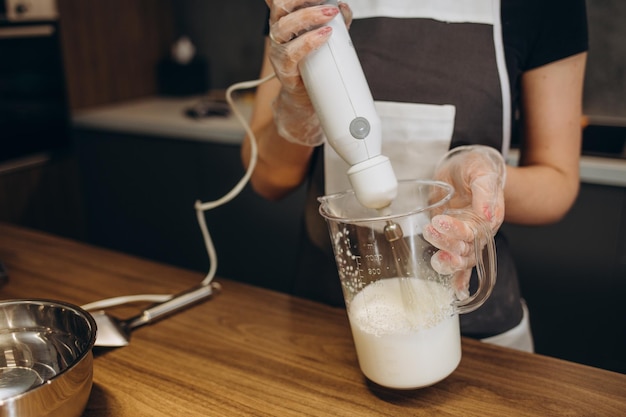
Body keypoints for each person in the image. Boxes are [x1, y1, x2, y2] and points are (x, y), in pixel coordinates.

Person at [241, 0, 588, 352]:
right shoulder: (304, 7)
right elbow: (267, 180)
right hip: (327, 319)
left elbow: (558, 182)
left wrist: (480, 175)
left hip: (475, 332)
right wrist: (298, 112)